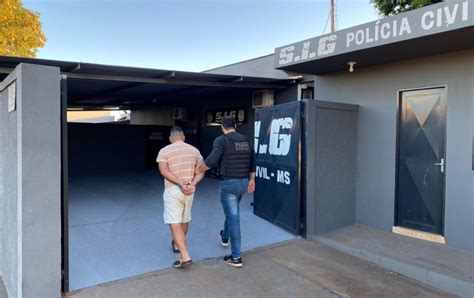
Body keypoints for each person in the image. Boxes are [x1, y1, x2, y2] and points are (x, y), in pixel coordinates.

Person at [199, 116, 256, 268]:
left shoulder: (221, 140)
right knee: (233, 212)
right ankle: (225, 236)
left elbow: (211, 161)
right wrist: (252, 180)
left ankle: (236, 257)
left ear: (222, 127)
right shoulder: (246, 140)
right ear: (235, 126)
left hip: (229, 184)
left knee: (234, 218)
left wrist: (197, 170)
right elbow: (253, 162)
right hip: (243, 182)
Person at [157, 126, 205, 269]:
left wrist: (180, 183)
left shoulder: (164, 151)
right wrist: (192, 184)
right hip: (190, 190)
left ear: (170, 138)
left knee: (174, 222)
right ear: (183, 137)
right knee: (184, 219)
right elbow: (202, 169)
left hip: (173, 189)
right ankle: (177, 244)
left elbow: (163, 171)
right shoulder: (194, 150)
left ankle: (185, 256)